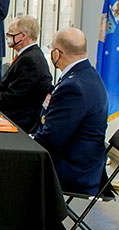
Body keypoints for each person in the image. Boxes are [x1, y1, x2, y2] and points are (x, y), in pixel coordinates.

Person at [34, 28, 109, 195]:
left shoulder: (74, 86)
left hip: (73, 170)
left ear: (56, 54)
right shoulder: (88, 74)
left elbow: (51, 139)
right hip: (84, 163)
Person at [0, 14, 52, 133]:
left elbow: (13, 96)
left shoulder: (29, 60)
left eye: (11, 33)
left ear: (23, 36)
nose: (8, 36)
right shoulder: (29, 55)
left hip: (18, 121)